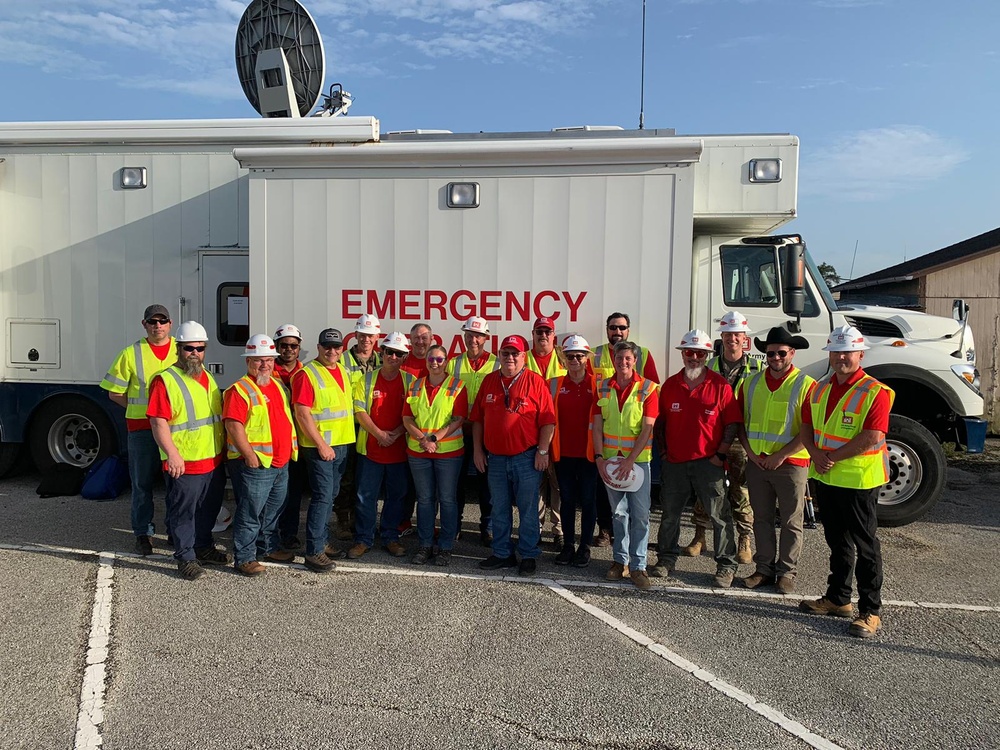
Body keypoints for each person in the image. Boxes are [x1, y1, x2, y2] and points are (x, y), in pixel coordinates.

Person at [799, 325, 893, 639]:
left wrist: (831, 457)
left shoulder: (875, 391)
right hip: (828, 477)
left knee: (865, 545)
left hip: (859, 480)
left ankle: (871, 610)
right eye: (836, 351)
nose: (841, 357)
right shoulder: (820, 389)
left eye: (847, 352)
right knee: (837, 542)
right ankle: (838, 598)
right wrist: (816, 454)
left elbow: (873, 437)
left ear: (860, 354)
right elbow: (806, 428)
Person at [651, 329, 742, 588]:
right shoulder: (670, 385)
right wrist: (665, 454)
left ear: (706, 356)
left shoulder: (720, 385)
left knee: (720, 516)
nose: (694, 357)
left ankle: (726, 565)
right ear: (683, 355)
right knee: (670, 514)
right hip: (675, 463)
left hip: (708, 463)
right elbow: (660, 423)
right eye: (689, 352)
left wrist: (720, 454)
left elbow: (732, 424)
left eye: (699, 353)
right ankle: (666, 559)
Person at [146, 321, 230, 580]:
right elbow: (158, 421)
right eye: (189, 348)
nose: (195, 353)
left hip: (212, 459)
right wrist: (172, 454)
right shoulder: (166, 380)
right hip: (186, 462)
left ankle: (203, 547)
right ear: (178, 349)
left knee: (208, 509)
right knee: (184, 512)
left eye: (199, 348)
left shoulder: (207, 376)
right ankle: (185, 557)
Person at [737, 327, 816, 594]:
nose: (775, 358)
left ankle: (786, 573)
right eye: (770, 353)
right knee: (762, 518)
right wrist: (750, 454)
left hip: (791, 464)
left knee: (792, 522)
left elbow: (810, 430)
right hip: (758, 464)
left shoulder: (806, 385)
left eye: (781, 352)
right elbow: (741, 424)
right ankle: (763, 570)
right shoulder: (751, 383)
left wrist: (780, 456)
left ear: (792, 353)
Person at [680, 310, 760, 565]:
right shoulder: (711, 365)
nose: (732, 339)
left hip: (741, 439)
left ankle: (744, 540)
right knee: (706, 490)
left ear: (744, 338)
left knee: (740, 490)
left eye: (737, 334)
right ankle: (700, 536)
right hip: (712, 437)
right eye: (727, 334)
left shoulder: (757, 368)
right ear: (722, 337)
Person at [473, 335, 556, 577]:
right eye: (505, 353)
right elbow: (477, 419)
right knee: (499, 508)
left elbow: (548, 421)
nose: (510, 357)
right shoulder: (489, 381)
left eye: (515, 353)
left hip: (526, 458)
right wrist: (478, 450)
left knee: (528, 509)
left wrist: (543, 451)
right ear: (499, 355)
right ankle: (502, 553)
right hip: (495, 458)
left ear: (523, 356)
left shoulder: (536, 382)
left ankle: (528, 554)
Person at [100, 304, 176, 556]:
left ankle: (175, 531)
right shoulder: (130, 353)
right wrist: (144, 409)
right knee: (141, 485)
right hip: (141, 429)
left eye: (162, 321)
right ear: (144, 324)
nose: (157, 326)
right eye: (152, 322)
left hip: (174, 430)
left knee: (175, 484)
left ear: (170, 323)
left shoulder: (182, 349)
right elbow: (114, 393)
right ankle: (143, 534)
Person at [223, 334, 298, 577]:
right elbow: (234, 426)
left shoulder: (276, 385)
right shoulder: (240, 390)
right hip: (257, 463)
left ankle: (267, 547)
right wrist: (249, 455)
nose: (264, 365)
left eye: (268, 360)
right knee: (251, 511)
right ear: (248, 362)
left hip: (280, 461)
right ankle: (244, 557)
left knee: (272, 510)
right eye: (258, 361)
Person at [592, 341, 659, 591]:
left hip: (638, 463)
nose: (623, 362)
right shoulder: (602, 388)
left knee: (640, 515)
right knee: (618, 514)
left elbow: (648, 429)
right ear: (615, 359)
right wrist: (599, 458)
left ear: (635, 360)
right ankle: (620, 562)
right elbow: (597, 426)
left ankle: (639, 565)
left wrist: (630, 460)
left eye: (628, 358)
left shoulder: (648, 389)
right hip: (610, 461)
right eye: (619, 358)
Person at [291, 328, 355, 573]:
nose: (332, 351)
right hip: (320, 448)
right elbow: (302, 413)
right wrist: (321, 444)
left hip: (341, 445)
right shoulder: (307, 374)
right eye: (327, 346)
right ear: (318, 347)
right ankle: (314, 551)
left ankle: (322, 540)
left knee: (331, 495)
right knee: (322, 497)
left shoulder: (341, 370)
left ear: (341, 349)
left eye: (336, 347)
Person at [403, 344, 469, 566]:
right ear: (426, 360)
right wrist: (423, 439)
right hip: (419, 452)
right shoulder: (415, 386)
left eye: (440, 359)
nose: (435, 363)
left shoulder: (457, 386)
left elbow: (458, 418)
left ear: (446, 362)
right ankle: (425, 545)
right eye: (431, 358)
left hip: (448, 453)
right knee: (424, 500)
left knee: (448, 500)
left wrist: (434, 439)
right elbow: (407, 418)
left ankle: (446, 547)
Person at [350, 331, 411, 560]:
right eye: (389, 352)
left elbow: (414, 414)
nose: (393, 357)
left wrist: (394, 434)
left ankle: (390, 538)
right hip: (371, 451)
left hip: (399, 451)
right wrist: (379, 434)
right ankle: (363, 539)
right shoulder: (365, 380)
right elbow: (359, 411)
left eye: (399, 353)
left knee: (396, 496)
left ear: (404, 357)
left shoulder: (410, 382)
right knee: (366, 497)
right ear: (382, 352)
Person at [333, 314, 384, 542]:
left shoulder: (383, 360)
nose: (366, 339)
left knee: (366, 480)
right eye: (362, 335)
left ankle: (361, 519)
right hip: (348, 427)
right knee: (346, 477)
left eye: (370, 335)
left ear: (377, 337)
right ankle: (343, 521)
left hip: (372, 427)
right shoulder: (342, 360)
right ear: (355, 335)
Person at [449, 316, 498, 546]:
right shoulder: (453, 364)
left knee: (487, 484)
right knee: (456, 482)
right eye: (469, 335)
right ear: (464, 336)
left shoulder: (497, 364)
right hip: (458, 431)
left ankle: (487, 527)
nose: (473, 340)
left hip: (486, 432)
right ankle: (454, 525)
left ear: (486, 338)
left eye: (478, 336)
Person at [525, 316, 565, 547]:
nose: (543, 336)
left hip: (558, 432)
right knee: (535, 485)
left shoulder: (562, 357)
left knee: (557, 485)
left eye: (547, 332)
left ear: (553, 335)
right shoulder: (524, 358)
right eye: (539, 331)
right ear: (533, 334)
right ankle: (535, 528)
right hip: (530, 432)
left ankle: (558, 529)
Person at [272, 323, 306, 550]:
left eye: (293, 345)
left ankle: (289, 534)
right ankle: (270, 535)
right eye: (284, 345)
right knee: (273, 495)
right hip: (273, 442)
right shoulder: (266, 370)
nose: (288, 349)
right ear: (277, 346)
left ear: (299, 347)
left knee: (293, 493)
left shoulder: (306, 372)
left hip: (299, 442)